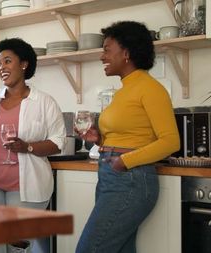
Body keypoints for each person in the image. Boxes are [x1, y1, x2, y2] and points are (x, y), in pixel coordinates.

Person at [76, 21, 180, 253]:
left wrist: (124, 161)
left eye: (106, 49)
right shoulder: (125, 90)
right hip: (113, 174)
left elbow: (171, 141)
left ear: (126, 53)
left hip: (130, 178)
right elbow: (127, 136)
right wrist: (99, 139)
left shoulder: (150, 88)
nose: (102, 56)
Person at [0, 38, 66, 253]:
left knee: (15, 246)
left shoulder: (45, 102)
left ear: (24, 64)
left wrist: (27, 147)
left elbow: (58, 142)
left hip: (27, 188)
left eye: (7, 61)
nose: (1, 68)